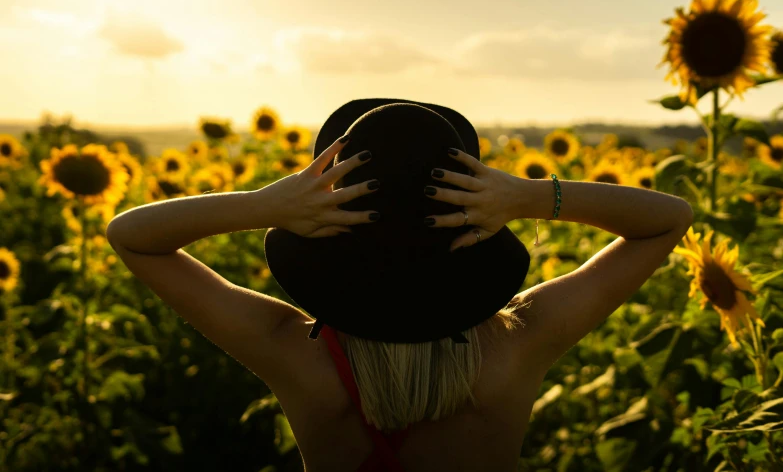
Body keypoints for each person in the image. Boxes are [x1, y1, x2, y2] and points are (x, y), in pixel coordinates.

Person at [106, 99, 694, 472]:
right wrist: (531, 196)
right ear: (471, 208)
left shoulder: (295, 353)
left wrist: (266, 205)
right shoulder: (517, 343)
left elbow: (132, 235)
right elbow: (666, 219)